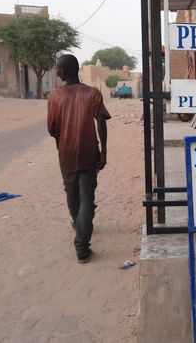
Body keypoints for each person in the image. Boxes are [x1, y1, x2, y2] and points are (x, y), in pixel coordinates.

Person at [47, 54, 110, 264]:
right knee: (86, 198)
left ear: (63, 72)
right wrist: (104, 152)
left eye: (58, 68)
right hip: (89, 154)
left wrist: (62, 143)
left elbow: (52, 128)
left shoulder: (54, 96)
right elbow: (101, 121)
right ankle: (82, 241)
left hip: (66, 155)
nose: (57, 71)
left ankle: (81, 238)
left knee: (74, 196)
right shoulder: (92, 93)